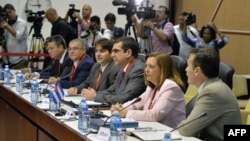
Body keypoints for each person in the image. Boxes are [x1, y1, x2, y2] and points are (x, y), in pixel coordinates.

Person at [178, 46, 241, 141]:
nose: (185, 70)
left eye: (188, 65)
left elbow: (186, 129)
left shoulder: (212, 92)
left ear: (197, 71)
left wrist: (180, 125)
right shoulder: (215, 86)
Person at [110, 52, 186, 128]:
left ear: (163, 69)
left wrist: (126, 113)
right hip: (154, 130)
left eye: (151, 67)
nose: (146, 70)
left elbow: (155, 115)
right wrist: (120, 108)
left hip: (170, 135)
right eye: (146, 66)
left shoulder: (171, 87)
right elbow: (136, 104)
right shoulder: (152, 87)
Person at [82, 37, 146, 104]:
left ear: (128, 53)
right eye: (112, 51)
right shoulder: (123, 68)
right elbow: (112, 90)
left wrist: (95, 96)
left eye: (116, 51)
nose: (112, 55)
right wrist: (93, 94)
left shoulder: (138, 70)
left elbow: (125, 99)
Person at [0, 3, 28, 69]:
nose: (9, 14)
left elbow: (18, 36)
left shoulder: (22, 23)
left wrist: (7, 27)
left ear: (14, 11)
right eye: (7, 13)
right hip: (7, 61)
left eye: (10, 12)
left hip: (20, 61)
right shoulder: (4, 23)